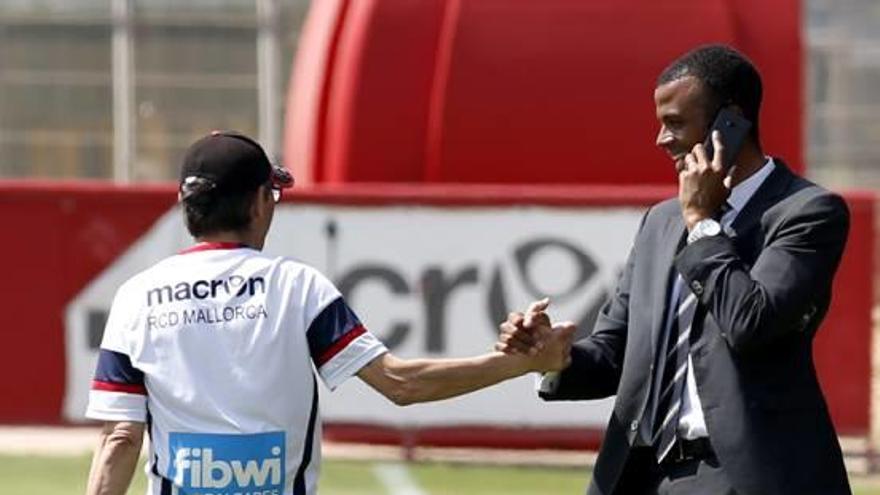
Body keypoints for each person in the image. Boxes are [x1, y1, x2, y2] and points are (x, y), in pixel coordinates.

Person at [84, 130, 574, 495]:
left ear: (184, 204)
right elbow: (402, 384)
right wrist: (521, 363)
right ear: (259, 202)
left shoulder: (136, 296)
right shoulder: (297, 287)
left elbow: (120, 439)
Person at [497, 45, 851, 494]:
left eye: (676, 123)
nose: (662, 139)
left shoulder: (806, 212)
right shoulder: (660, 222)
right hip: (644, 477)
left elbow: (751, 322)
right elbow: (615, 354)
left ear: (731, 122)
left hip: (747, 478)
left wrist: (703, 225)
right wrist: (555, 357)